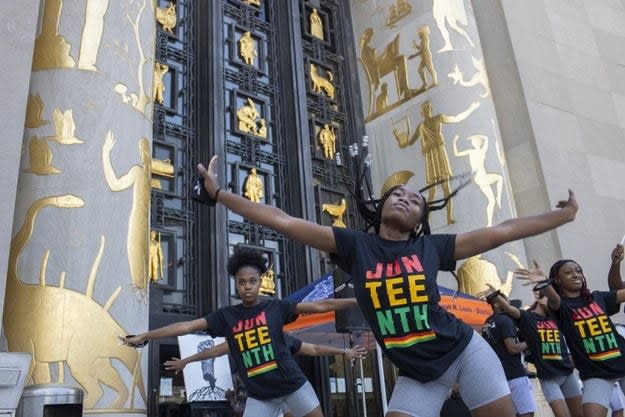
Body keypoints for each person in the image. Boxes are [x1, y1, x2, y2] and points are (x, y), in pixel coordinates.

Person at [197, 155, 578, 417]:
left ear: (418, 222)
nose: (404, 199)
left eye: (415, 201)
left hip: (463, 351)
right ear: (381, 207)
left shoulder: (431, 246)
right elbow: (283, 220)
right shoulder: (354, 246)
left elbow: (501, 231)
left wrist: (562, 216)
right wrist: (219, 194)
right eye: (397, 194)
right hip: (416, 372)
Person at [122, 246, 358, 417]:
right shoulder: (227, 317)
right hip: (259, 396)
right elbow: (190, 329)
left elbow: (319, 307)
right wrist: (146, 336)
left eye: (252, 281)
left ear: (260, 281)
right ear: (236, 282)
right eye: (242, 282)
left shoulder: (275, 308)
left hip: (293, 386)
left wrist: (357, 302)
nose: (247, 286)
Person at [516, 252, 625, 417]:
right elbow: (553, 299)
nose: (576, 275)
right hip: (597, 373)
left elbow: (620, 291)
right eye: (568, 272)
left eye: (578, 271)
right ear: (558, 280)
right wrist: (544, 283)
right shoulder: (560, 307)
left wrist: (616, 263)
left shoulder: (597, 298)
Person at [482, 286, 582, 417]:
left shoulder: (555, 318)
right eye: (550, 299)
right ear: (539, 300)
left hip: (568, 374)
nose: (553, 303)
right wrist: (495, 296)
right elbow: (510, 310)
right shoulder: (527, 318)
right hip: (548, 376)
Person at [481, 292, 537, 417]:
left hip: (497, 377)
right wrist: (532, 341)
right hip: (514, 374)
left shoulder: (487, 323)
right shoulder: (505, 320)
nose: (508, 303)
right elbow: (512, 348)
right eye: (504, 300)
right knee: (526, 412)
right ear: (496, 303)